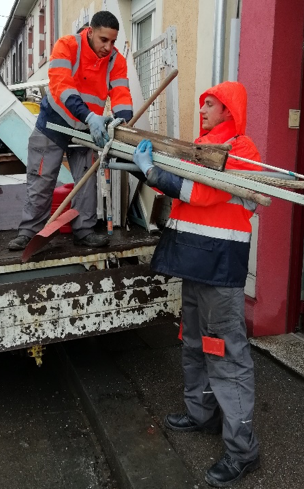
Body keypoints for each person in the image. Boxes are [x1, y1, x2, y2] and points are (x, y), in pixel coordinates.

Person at [133, 81, 261, 488]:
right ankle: (201, 412)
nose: (201, 109)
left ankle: (243, 451)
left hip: (220, 269)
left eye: (209, 104)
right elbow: (173, 189)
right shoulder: (199, 147)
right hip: (194, 260)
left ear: (229, 110)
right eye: (202, 102)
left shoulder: (242, 152)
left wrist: (156, 171)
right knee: (194, 341)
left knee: (225, 353)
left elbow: (202, 193)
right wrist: (152, 171)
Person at [8, 11, 133, 250]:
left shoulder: (116, 61)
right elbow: (61, 87)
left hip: (88, 127)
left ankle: (84, 231)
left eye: (113, 41)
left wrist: (123, 122)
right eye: (103, 40)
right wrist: (88, 115)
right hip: (55, 121)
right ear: (90, 31)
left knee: (86, 181)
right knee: (42, 179)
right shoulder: (66, 46)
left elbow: (121, 94)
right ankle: (28, 232)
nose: (108, 47)